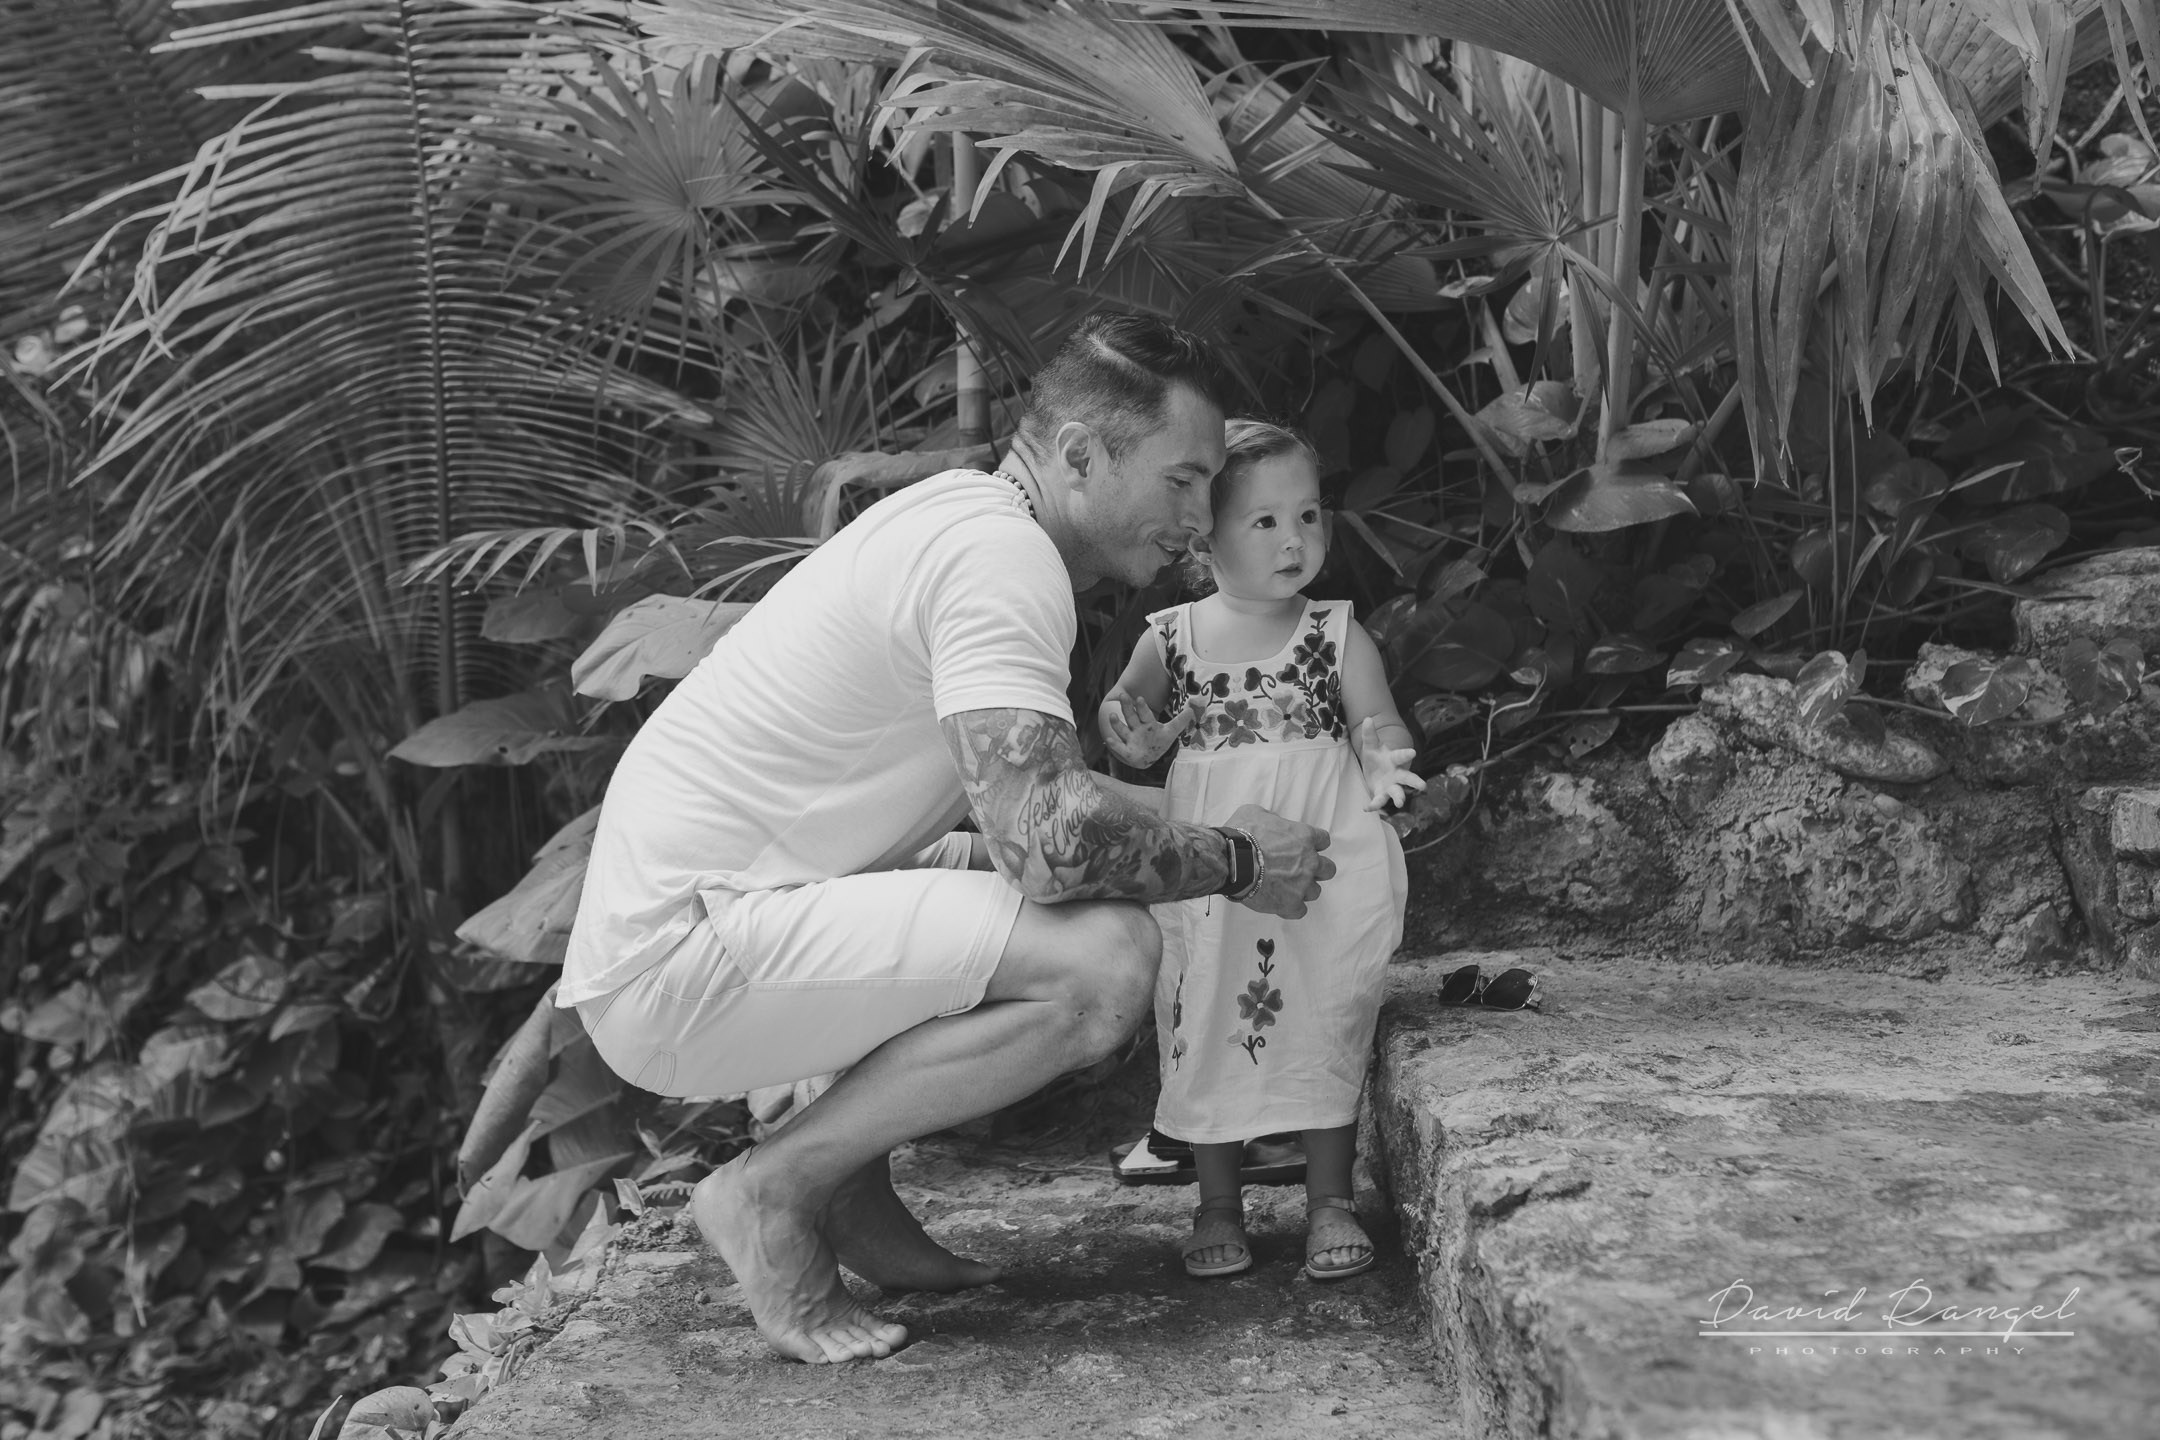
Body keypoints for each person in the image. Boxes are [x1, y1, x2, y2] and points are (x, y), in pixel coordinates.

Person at [556, 314, 1335, 1365]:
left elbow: (1018, 791)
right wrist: (1238, 862)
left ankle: (848, 1196)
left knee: (981, 877)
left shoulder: (969, 521)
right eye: (1184, 482)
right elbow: (1047, 840)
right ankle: (772, 1190)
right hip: (685, 956)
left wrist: (1259, 812)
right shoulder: (1001, 560)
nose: (1202, 521)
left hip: (714, 921)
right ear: (1077, 456)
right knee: (1102, 963)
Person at [1097, 419, 1421, 1282]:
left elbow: (1375, 716)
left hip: (1317, 859)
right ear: (1204, 537)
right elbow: (1126, 710)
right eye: (1265, 521)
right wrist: (1129, 728)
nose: (1295, 539)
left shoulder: (1334, 631)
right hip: (1214, 867)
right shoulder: (1171, 637)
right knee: (1203, 1012)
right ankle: (1215, 1202)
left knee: (1323, 1010)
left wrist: (1386, 753)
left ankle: (1329, 1198)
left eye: (1309, 516)